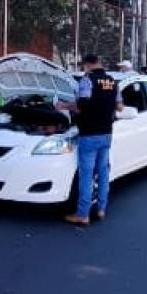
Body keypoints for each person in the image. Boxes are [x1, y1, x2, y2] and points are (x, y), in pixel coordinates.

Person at [56, 54, 123, 225]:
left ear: (88, 65)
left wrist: (64, 106)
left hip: (89, 135)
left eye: (84, 66)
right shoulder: (113, 82)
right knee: (102, 173)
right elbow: (120, 107)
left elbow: (81, 105)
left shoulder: (87, 80)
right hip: (106, 134)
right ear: (99, 63)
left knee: (86, 176)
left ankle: (83, 215)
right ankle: (101, 209)